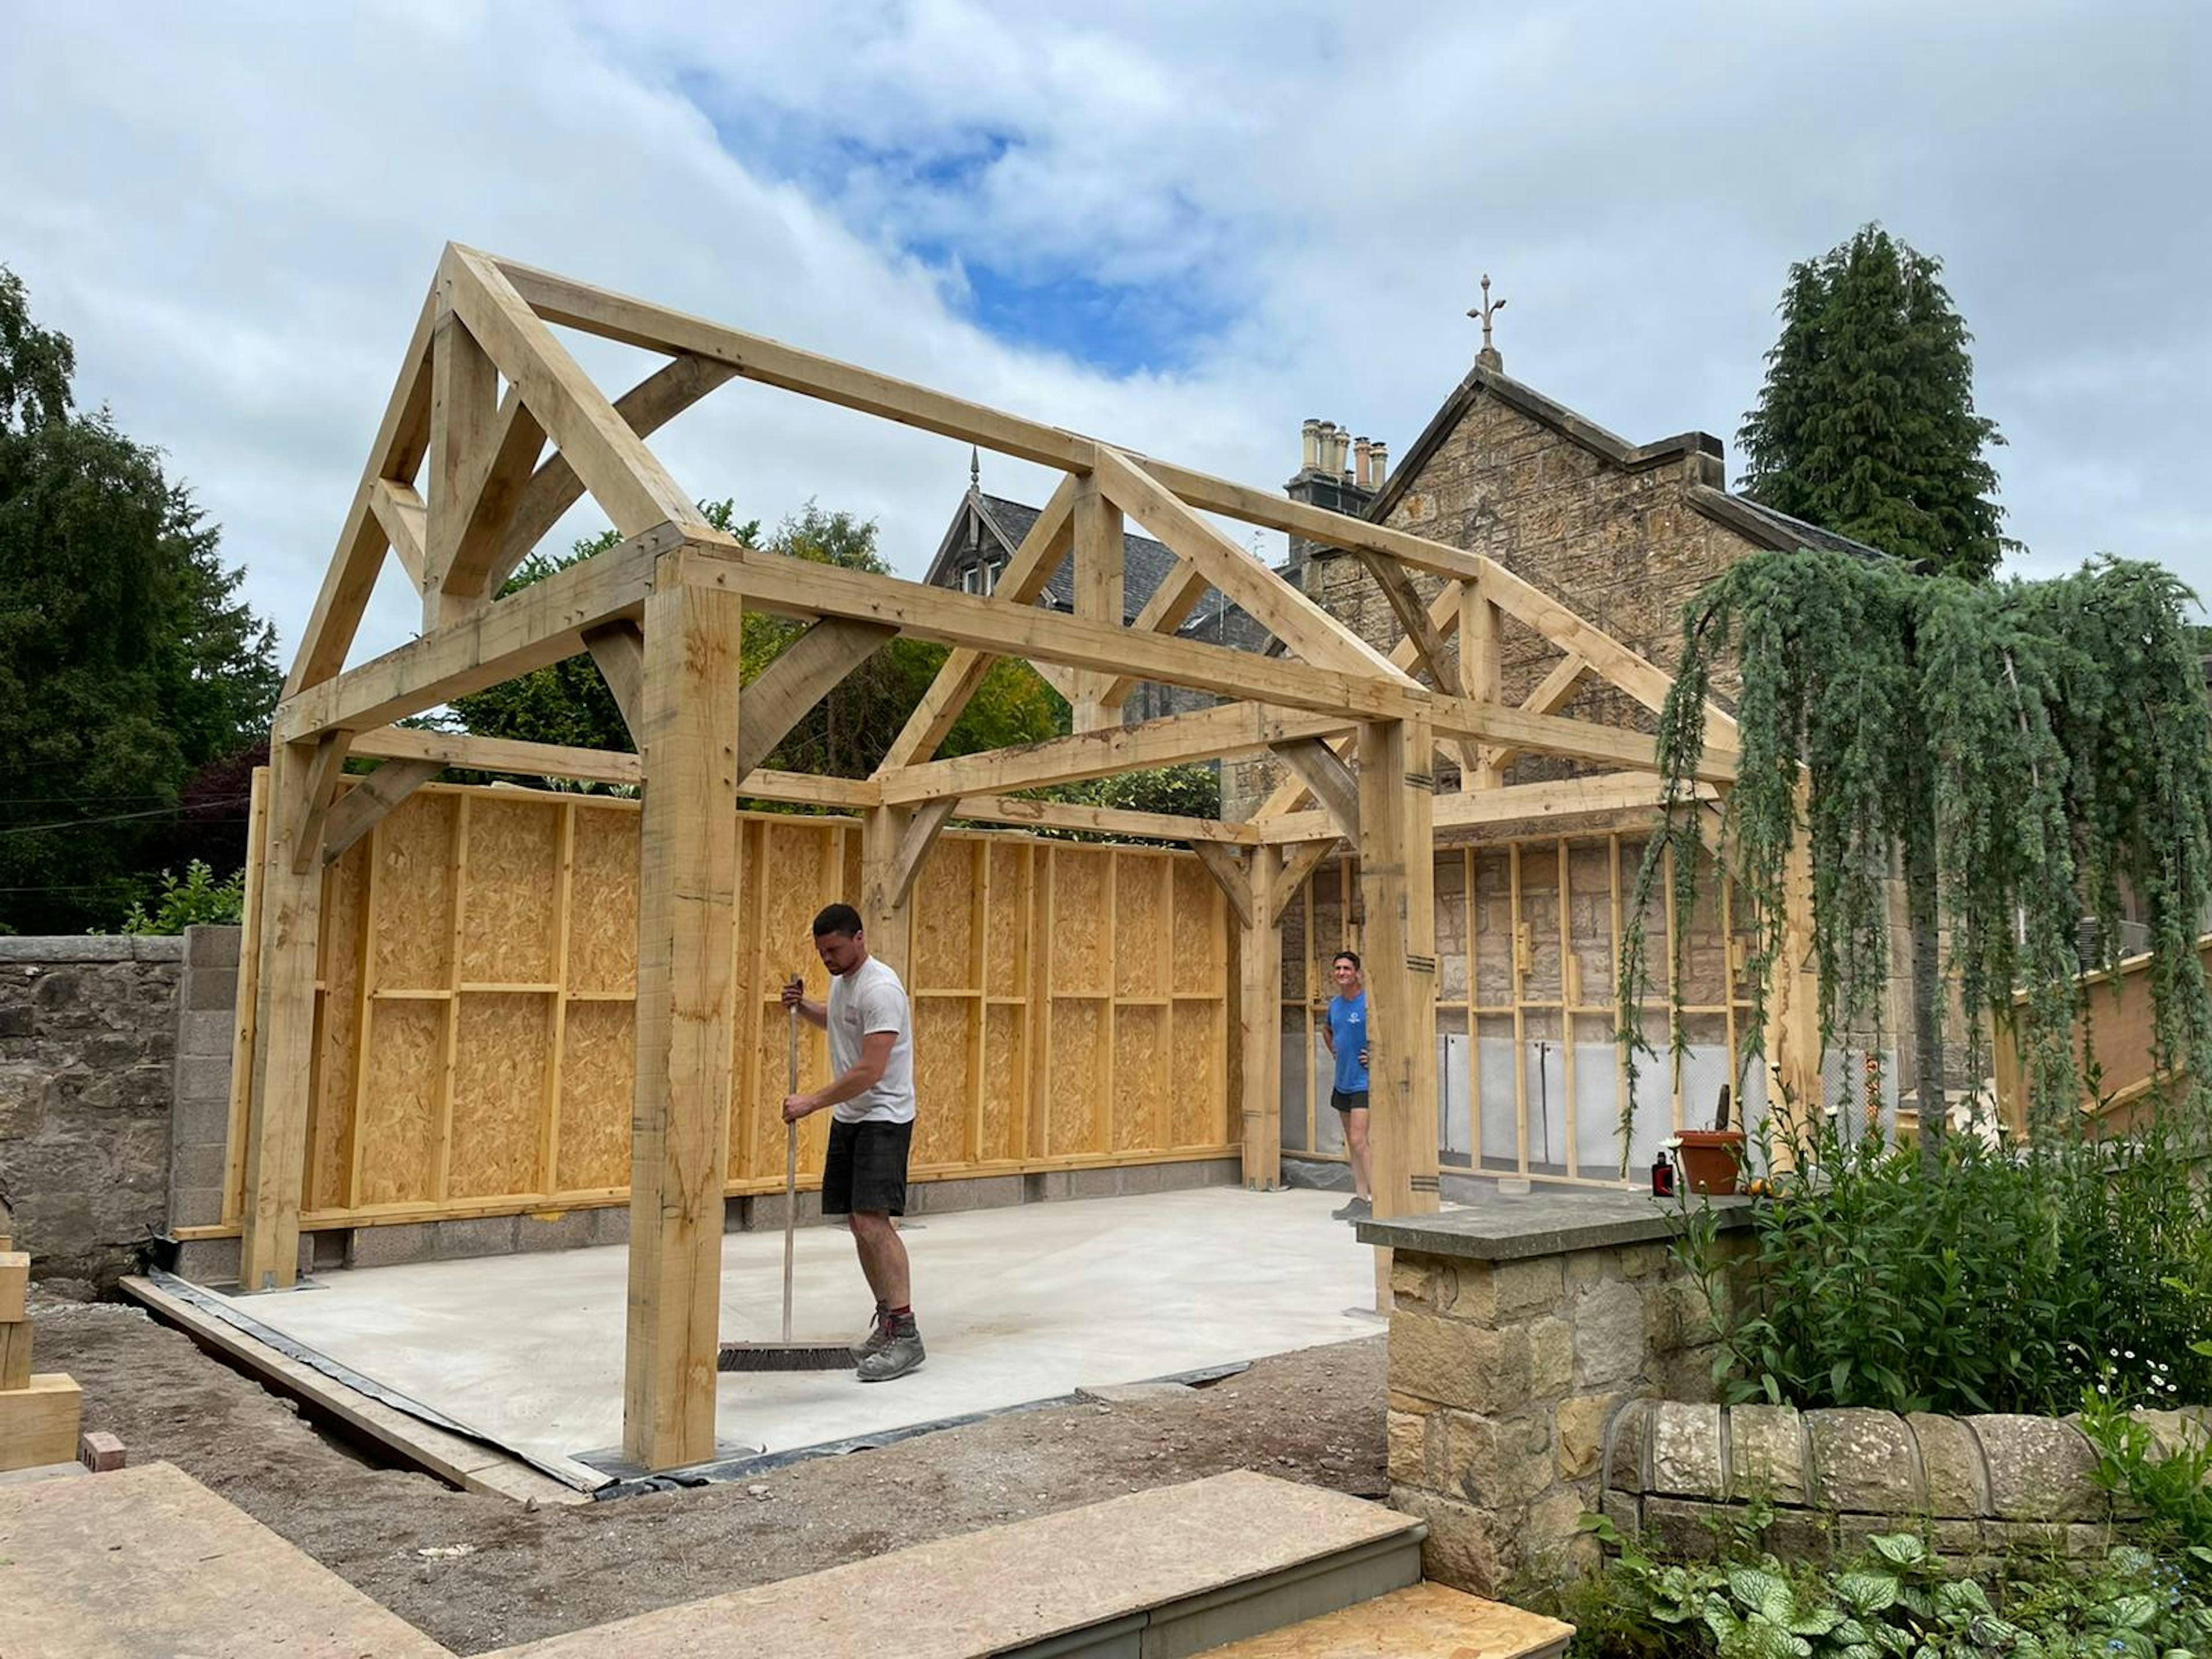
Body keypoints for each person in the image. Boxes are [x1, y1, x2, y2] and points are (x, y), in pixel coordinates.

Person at [780, 903, 923, 1382]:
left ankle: (906, 1335)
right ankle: (887, 1321)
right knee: (857, 1223)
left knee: (873, 1220)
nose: (828, 960)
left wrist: (812, 1102)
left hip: (883, 1115)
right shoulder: (843, 984)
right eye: (822, 953)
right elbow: (840, 1021)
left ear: (859, 938)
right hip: (852, 1114)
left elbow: (870, 1069)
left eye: (835, 950)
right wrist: (805, 1008)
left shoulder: (881, 987)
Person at [1321, 950, 1372, 1221]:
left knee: (1359, 1140)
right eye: (1338, 969)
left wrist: (1377, 1056)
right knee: (1352, 1144)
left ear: (1357, 973)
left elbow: (1388, 1035)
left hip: (1364, 1083)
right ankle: (1361, 1198)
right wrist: (1335, 1051)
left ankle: (1380, 1201)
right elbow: (1327, 1030)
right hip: (1343, 1082)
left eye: (1347, 969)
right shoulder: (1335, 1006)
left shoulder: (1368, 1004)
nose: (1342, 973)